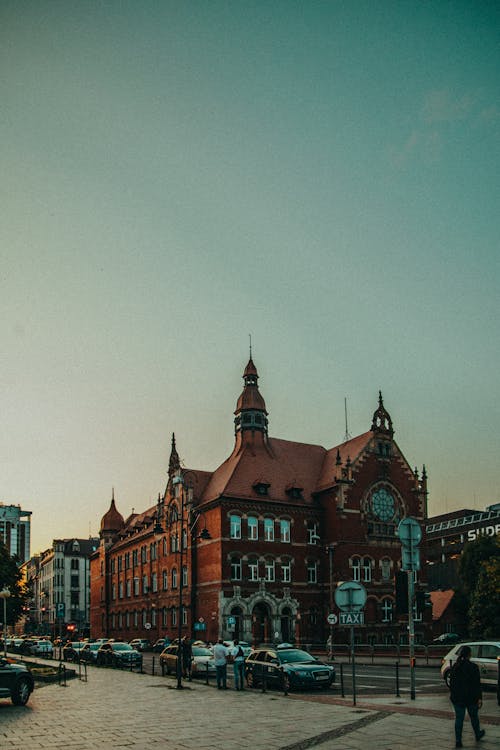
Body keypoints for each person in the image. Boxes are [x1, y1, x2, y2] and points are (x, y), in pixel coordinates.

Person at [449, 645, 485, 748]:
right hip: (471, 698)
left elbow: (452, 683)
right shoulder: (473, 667)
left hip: (458, 698)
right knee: (474, 717)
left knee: (459, 719)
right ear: (469, 654)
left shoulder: (455, 667)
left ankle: (458, 740)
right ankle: (477, 733)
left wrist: (453, 696)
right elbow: (477, 685)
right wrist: (479, 698)